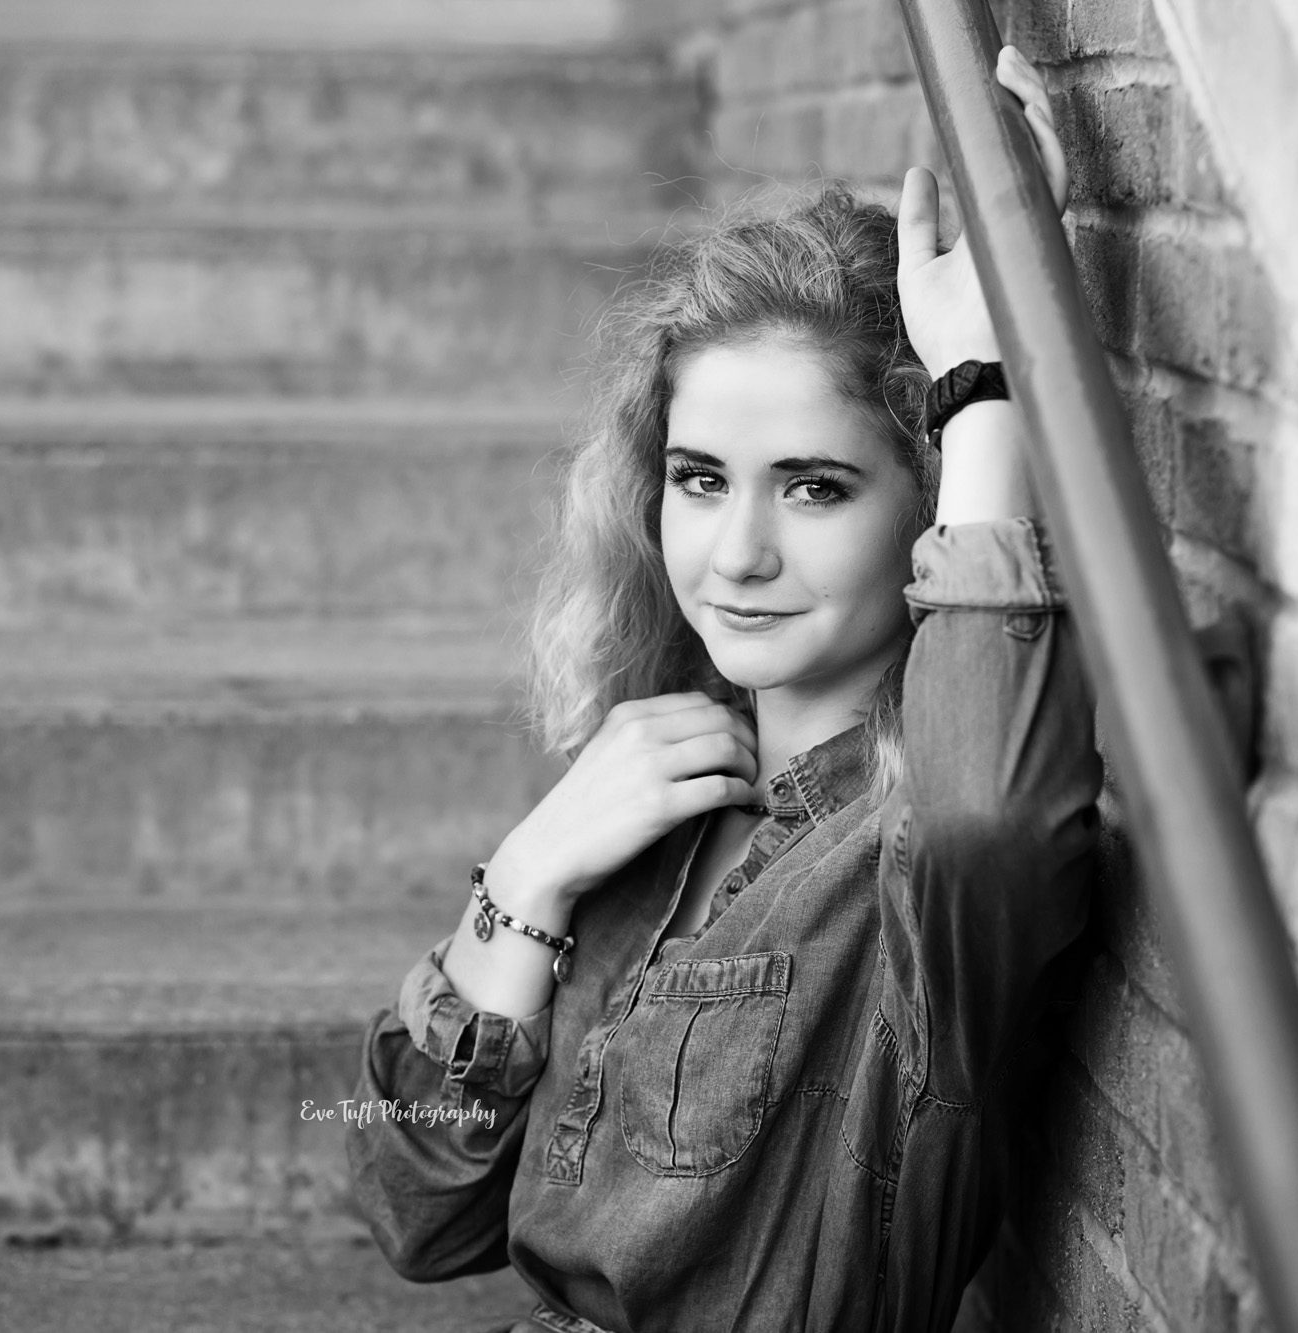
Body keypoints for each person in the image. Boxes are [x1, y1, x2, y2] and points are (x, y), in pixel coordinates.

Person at [347, 47, 1101, 1333]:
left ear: (924, 502)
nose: (736, 553)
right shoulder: (651, 789)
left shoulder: (913, 855)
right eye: (700, 478)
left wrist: (982, 386)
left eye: (813, 487)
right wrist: (524, 879)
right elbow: (416, 1205)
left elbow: (983, 821)